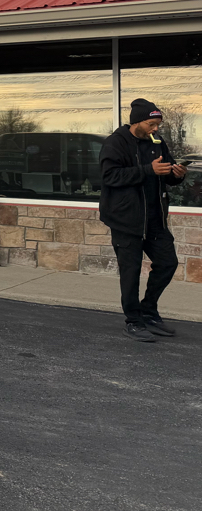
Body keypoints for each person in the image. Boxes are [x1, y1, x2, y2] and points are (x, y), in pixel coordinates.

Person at [99, 99, 187, 342]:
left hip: (155, 218)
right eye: (151, 124)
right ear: (136, 121)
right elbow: (109, 176)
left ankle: (148, 311)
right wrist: (148, 170)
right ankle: (133, 321)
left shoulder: (157, 143)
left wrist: (176, 175)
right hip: (126, 220)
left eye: (158, 124)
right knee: (131, 272)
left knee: (168, 263)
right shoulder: (116, 143)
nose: (155, 129)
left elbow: (165, 174)